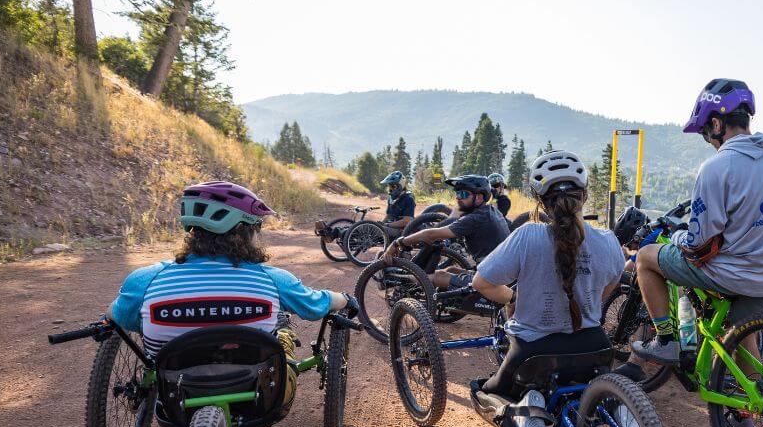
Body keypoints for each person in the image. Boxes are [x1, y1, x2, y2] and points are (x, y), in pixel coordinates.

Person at [630, 79, 763, 427]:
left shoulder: (717, 167)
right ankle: (747, 415)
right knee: (740, 334)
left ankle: (666, 339)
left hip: (733, 274)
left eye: (707, 132)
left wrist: (676, 237)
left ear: (718, 124)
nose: (708, 139)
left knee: (646, 258)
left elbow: (698, 246)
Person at [108, 181, 351, 413]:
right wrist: (343, 298)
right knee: (284, 332)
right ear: (241, 230)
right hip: (262, 398)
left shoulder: (145, 280)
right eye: (255, 229)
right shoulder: (274, 279)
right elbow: (315, 305)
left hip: (176, 398)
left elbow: (119, 319)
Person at [472, 150, 625, 407]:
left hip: (535, 353)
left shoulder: (528, 235)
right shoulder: (609, 241)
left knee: (481, 390)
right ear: (585, 195)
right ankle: (614, 409)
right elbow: (610, 285)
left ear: (540, 201)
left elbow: (481, 282)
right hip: (594, 347)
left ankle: (529, 410)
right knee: (583, 400)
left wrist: (514, 296)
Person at [385, 174, 508, 288]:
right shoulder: (491, 210)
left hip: (492, 280)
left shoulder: (475, 218)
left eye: (463, 194)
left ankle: (397, 282)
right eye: (457, 194)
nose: (458, 198)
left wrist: (398, 243)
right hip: (496, 272)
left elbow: (431, 234)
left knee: (436, 277)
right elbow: (452, 220)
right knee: (450, 270)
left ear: (479, 197)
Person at [380, 170, 415, 236]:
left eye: (393, 187)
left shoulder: (408, 199)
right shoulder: (391, 198)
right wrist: (380, 224)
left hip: (401, 232)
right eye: (389, 186)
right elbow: (389, 215)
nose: (390, 189)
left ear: (400, 186)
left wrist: (387, 225)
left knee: (369, 229)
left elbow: (406, 221)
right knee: (368, 227)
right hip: (391, 227)